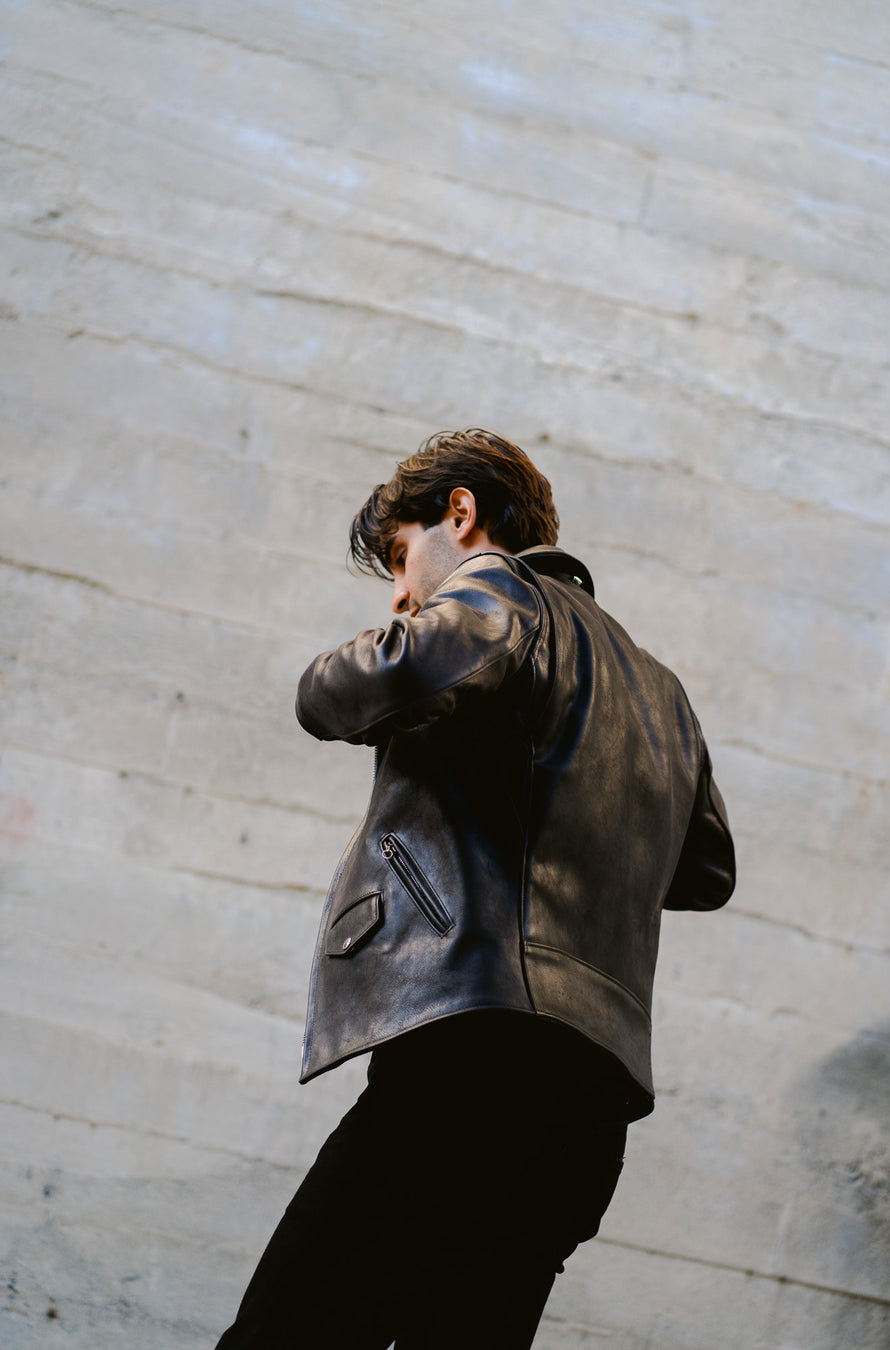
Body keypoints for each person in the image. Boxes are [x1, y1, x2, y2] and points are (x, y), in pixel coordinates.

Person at [215, 428, 736, 1349]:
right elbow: (705, 868)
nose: (401, 592)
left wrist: (366, 665)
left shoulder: (499, 590)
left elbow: (363, 682)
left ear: (461, 513)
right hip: (592, 1107)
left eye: (401, 558)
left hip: (475, 1060)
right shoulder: (664, 694)